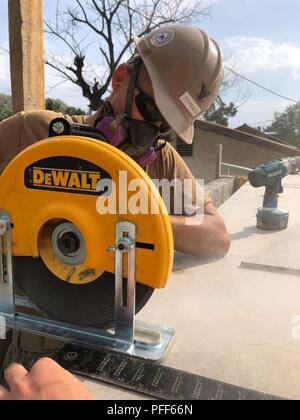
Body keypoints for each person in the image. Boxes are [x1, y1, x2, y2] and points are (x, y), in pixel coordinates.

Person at [0, 24, 230, 399]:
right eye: (152, 108)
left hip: (107, 335)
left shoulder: (161, 162)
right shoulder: (35, 133)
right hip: (22, 322)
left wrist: (141, 220)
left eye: (166, 123)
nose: (152, 128)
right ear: (121, 77)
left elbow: (217, 236)